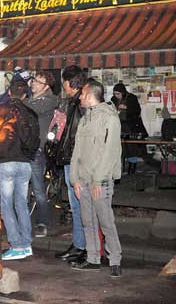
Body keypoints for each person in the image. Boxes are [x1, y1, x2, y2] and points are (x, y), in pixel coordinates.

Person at [70, 79, 123, 277]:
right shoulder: (85, 119)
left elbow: (110, 152)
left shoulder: (109, 118)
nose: (80, 97)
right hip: (83, 181)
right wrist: (75, 178)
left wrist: (98, 180)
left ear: (91, 95)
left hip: (100, 181)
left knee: (106, 221)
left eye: (82, 94)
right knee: (88, 221)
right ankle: (93, 258)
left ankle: (115, 259)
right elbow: (77, 152)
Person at [0, 78, 40, 261]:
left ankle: (17, 244)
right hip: (25, 163)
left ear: (9, 92)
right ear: (25, 94)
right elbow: (36, 139)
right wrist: (27, 154)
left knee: (5, 204)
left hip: (6, 162)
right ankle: (26, 242)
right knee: (21, 202)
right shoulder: (31, 113)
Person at [53, 66, 88, 263]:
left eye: (64, 82)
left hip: (77, 161)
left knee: (80, 205)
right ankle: (78, 244)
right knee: (76, 206)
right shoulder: (72, 103)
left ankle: (83, 247)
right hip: (70, 159)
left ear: (69, 82)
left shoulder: (81, 104)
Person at [24, 71, 59, 238]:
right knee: (23, 189)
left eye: (38, 82)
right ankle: (24, 223)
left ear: (46, 87)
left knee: (38, 189)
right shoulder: (29, 99)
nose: (34, 84)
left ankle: (42, 223)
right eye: (34, 80)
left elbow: (31, 110)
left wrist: (17, 101)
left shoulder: (49, 100)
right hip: (24, 150)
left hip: (37, 151)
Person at [112, 82, 147, 175]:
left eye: (118, 94)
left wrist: (126, 107)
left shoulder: (131, 98)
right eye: (115, 94)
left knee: (131, 148)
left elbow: (137, 110)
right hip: (118, 126)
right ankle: (120, 169)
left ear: (123, 92)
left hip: (130, 126)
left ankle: (132, 169)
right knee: (119, 148)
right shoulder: (113, 99)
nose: (116, 96)